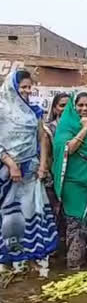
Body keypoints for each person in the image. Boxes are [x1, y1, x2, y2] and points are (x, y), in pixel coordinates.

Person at [0, 70, 57, 265]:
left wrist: (42, 166)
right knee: (8, 213)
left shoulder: (34, 111)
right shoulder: (2, 109)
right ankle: (5, 262)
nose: (27, 91)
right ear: (12, 87)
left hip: (31, 171)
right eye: (23, 87)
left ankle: (31, 258)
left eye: (29, 87)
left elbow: (41, 138)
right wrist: (10, 164)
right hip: (7, 172)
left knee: (31, 212)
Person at [51, 93, 87, 269]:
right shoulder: (66, 128)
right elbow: (68, 149)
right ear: (73, 108)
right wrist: (84, 128)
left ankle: (85, 262)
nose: (84, 109)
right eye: (80, 105)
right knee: (76, 224)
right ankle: (73, 266)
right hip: (73, 184)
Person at [42, 92, 70, 251]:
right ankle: (54, 250)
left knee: (71, 216)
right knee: (55, 214)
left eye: (68, 105)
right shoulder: (49, 128)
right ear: (55, 108)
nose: (65, 109)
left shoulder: (79, 126)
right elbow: (46, 155)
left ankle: (71, 248)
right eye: (62, 105)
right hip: (54, 178)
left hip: (73, 179)